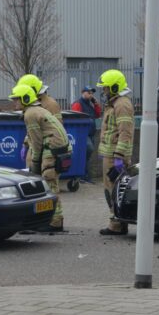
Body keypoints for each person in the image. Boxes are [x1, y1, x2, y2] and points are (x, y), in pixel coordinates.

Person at [9, 84, 70, 232]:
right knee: (50, 184)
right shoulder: (37, 110)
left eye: (17, 99)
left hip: (52, 150)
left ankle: (55, 222)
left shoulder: (30, 114)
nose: (14, 103)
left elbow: (36, 143)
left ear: (25, 99)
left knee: (49, 184)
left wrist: (35, 164)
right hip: (57, 149)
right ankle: (51, 219)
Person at [96, 69, 134, 236]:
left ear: (114, 87)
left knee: (113, 189)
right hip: (111, 154)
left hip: (115, 156)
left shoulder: (121, 105)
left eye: (105, 88)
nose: (103, 91)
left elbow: (125, 132)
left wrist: (119, 156)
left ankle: (116, 225)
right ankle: (118, 222)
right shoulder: (115, 103)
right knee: (112, 188)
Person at [17, 74, 62, 168]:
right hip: (34, 148)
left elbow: (57, 129)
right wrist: (25, 144)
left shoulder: (50, 104)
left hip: (46, 151)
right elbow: (33, 129)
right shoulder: (32, 103)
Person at [70, 86, 102, 183]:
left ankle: (84, 175)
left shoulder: (90, 104)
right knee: (88, 150)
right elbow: (75, 118)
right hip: (82, 134)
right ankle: (82, 175)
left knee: (87, 155)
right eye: (88, 92)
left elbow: (98, 115)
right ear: (82, 93)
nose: (90, 94)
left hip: (91, 133)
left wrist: (96, 104)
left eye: (91, 93)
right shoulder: (78, 104)